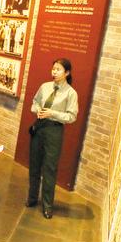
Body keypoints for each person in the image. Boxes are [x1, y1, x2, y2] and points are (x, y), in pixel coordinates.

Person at [27, 58, 78, 219]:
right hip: (39, 127)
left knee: (49, 168)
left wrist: (52, 113)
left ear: (67, 73)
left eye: (58, 69)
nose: (54, 72)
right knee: (34, 165)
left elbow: (71, 116)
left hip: (54, 130)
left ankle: (47, 206)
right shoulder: (45, 86)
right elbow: (34, 102)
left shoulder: (70, 93)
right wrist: (38, 110)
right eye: (53, 69)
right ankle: (32, 198)